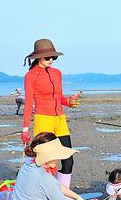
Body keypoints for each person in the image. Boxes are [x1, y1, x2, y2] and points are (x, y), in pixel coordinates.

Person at [21, 38, 80, 188]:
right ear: (38, 58)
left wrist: (70, 102)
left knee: (68, 159)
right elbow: (28, 103)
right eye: (48, 57)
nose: (51, 60)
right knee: (46, 162)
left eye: (54, 57)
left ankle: (61, 196)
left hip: (60, 120)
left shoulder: (57, 73)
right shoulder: (31, 76)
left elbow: (59, 97)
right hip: (43, 120)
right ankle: (45, 193)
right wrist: (25, 129)